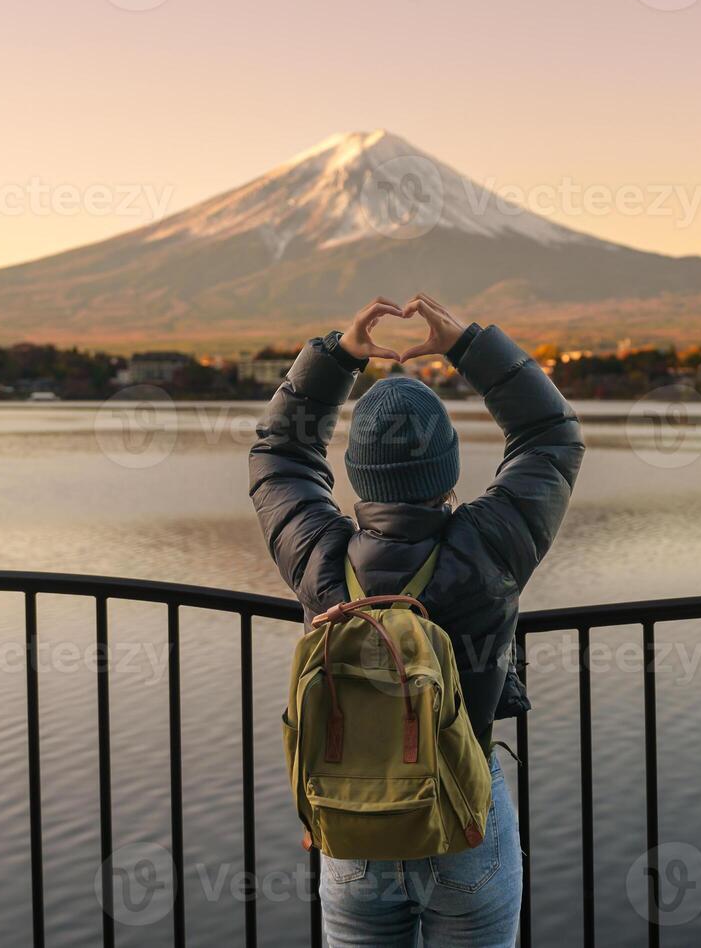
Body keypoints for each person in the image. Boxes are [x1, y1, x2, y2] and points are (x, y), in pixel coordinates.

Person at [249, 293, 584, 947]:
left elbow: (278, 456)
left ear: (356, 472)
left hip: (351, 827)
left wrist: (336, 357)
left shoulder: (319, 553)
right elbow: (551, 435)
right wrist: (469, 347)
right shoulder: (490, 545)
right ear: (449, 469)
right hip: (466, 819)